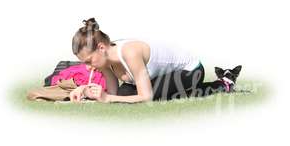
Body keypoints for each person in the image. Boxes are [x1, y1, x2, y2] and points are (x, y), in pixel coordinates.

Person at [69, 18, 205, 103]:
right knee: (124, 94)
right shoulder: (105, 61)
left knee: (152, 95)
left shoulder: (130, 53)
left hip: (190, 70)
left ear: (101, 48)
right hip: (161, 76)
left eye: (88, 61)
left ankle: (220, 84)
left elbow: (146, 96)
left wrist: (108, 98)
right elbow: (114, 93)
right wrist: (84, 90)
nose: (87, 67)